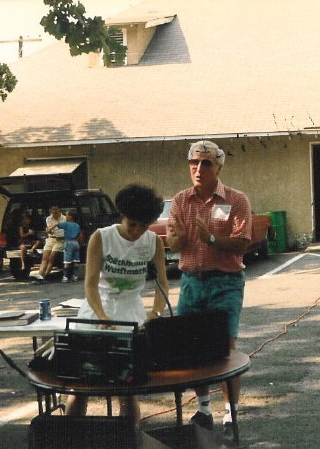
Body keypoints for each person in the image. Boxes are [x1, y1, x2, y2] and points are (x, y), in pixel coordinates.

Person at [166, 140, 252, 439]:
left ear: (219, 167)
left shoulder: (236, 200)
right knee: (192, 349)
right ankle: (204, 409)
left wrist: (211, 240)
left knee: (225, 352)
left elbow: (242, 243)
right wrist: (175, 240)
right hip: (191, 282)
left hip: (225, 282)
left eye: (206, 164)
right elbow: (174, 244)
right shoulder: (180, 201)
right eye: (194, 163)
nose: (198, 169)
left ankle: (231, 416)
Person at [65, 184, 169, 424]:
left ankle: (128, 437)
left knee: (127, 387)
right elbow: (90, 285)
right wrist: (102, 317)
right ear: (123, 216)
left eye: (144, 226)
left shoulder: (153, 242)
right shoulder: (102, 237)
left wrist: (156, 311)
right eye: (133, 224)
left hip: (131, 312)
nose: (137, 231)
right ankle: (72, 436)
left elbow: (163, 282)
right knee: (82, 385)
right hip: (97, 310)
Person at [33, 205, 66, 281]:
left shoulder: (64, 218)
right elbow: (50, 230)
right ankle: (40, 274)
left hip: (60, 240)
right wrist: (49, 231)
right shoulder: (48, 218)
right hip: (51, 239)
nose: (54, 211)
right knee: (45, 257)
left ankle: (46, 274)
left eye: (56, 209)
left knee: (51, 257)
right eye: (53, 209)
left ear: (59, 210)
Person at [55, 210, 81, 282]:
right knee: (76, 261)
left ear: (70, 217)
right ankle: (76, 276)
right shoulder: (77, 225)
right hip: (76, 243)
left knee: (66, 261)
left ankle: (65, 277)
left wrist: (50, 228)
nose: (65, 216)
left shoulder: (66, 224)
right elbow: (79, 235)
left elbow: (57, 224)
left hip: (68, 243)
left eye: (66, 215)